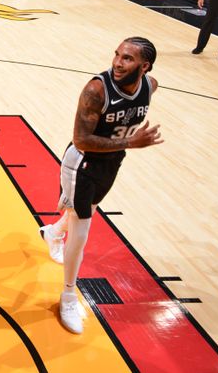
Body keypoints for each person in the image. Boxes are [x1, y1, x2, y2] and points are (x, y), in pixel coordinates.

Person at [38, 37, 161, 334]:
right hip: (82, 163)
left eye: (128, 59)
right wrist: (132, 141)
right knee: (82, 230)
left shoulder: (150, 85)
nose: (118, 62)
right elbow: (81, 139)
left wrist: (125, 142)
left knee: (85, 211)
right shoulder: (97, 90)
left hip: (111, 161)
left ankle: (52, 233)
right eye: (117, 55)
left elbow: (138, 101)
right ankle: (68, 294)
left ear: (144, 67)